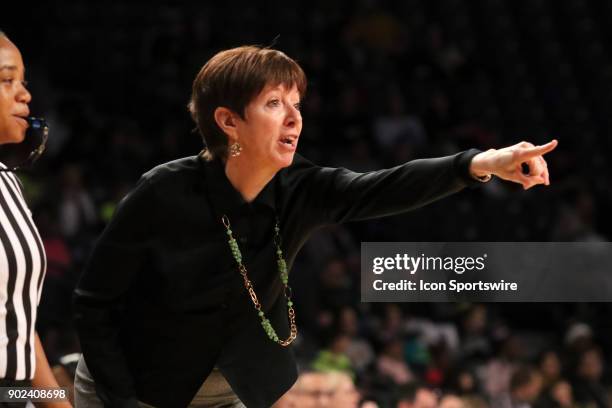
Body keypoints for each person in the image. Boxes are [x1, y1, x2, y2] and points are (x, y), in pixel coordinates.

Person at [72, 45, 557, 408]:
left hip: (226, 388)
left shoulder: (299, 188)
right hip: (131, 385)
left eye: (297, 104)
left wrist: (482, 163)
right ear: (228, 121)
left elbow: (384, 187)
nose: (294, 118)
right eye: (274, 103)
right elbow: (94, 304)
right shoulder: (163, 192)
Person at [0, 30, 72, 408]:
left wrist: (56, 402)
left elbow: (19, 328)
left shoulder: (8, 181)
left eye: (23, 82)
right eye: (6, 80)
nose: (24, 94)